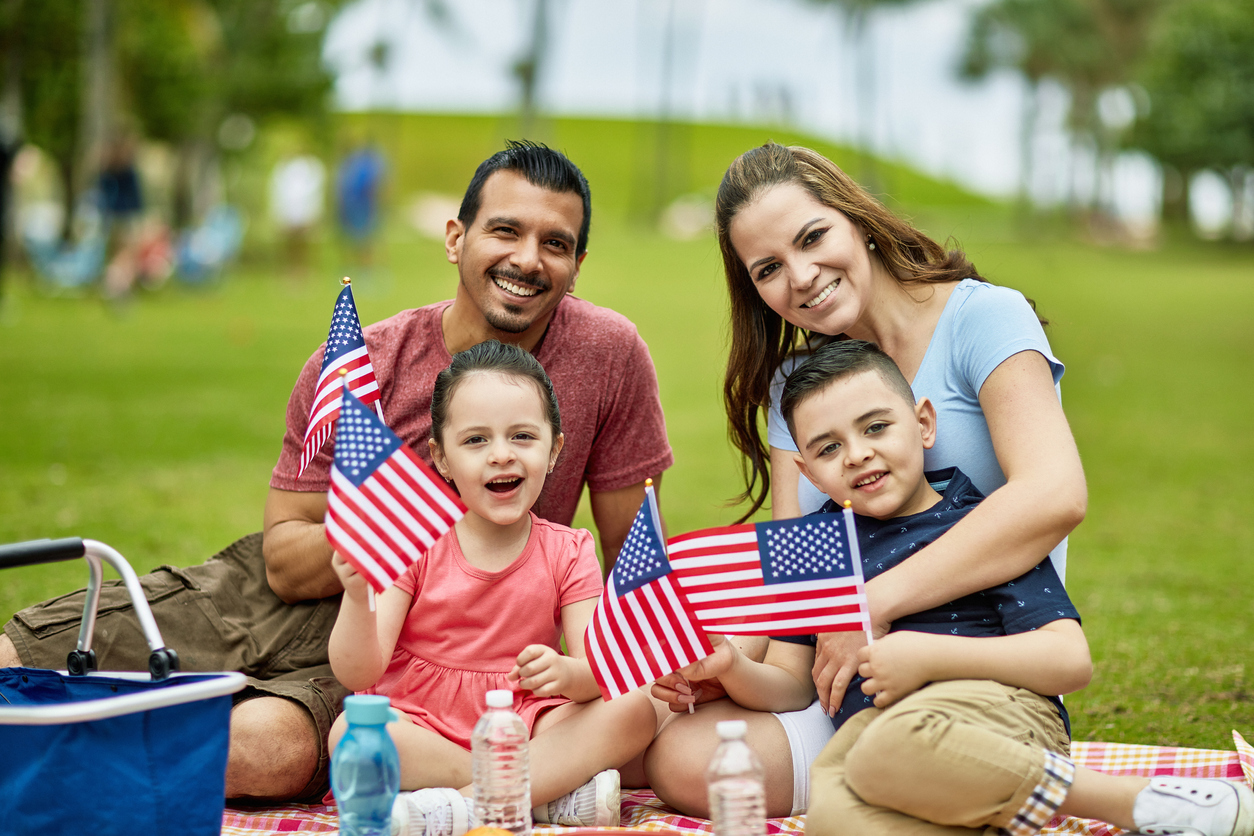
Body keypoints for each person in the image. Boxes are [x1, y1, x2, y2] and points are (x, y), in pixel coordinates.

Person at [1, 141, 673, 803]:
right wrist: (411, 522)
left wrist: (627, 685)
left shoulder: (609, 355)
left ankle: (63, 766)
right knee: (17, 654)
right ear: (455, 239)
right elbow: (285, 563)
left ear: (577, 265)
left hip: (412, 647)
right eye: (505, 230)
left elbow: (632, 566)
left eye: (555, 243)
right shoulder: (360, 361)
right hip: (287, 595)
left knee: (262, 755)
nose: (527, 259)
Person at [644, 142, 1087, 817]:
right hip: (847, 687)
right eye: (768, 268)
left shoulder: (981, 319)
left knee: (885, 761)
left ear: (858, 219)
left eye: (813, 236)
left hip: (977, 659)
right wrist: (731, 668)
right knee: (680, 754)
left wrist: (871, 606)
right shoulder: (796, 388)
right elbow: (798, 581)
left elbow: (1054, 495)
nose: (800, 275)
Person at [656, 340, 1253, 836]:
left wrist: (926, 655)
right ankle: (998, 811)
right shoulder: (815, 549)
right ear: (809, 472)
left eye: (876, 427)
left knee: (889, 749)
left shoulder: (977, 526)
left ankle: (1144, 803)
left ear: (923, 423)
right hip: (874, 735)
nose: (859, 454)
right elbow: (790, 684)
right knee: (832, 817)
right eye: (830, 447)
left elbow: (1069, 660)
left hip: (993, 712)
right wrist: (730, 665)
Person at [329, 341, 655, 836]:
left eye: (522, 436)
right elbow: (361, 672)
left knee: (634, 708)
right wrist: (358, 597)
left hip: (523, 717)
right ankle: (535, 794)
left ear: (554, 450)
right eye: (476, 440)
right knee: (350, 733)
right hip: (424, 723)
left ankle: (461, 807)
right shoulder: (417, 543)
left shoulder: (569, 550)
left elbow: (599, 672)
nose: (501, 455)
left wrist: (568, 674)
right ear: (441, 457)